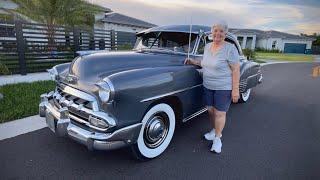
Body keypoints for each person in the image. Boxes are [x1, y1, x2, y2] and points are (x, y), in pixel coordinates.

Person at [185, 21, 240, 153]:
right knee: (210, 111)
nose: (218, 34)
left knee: (220, 113)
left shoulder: (230, 49)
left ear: (225, 33)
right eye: (216, 30)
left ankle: (217, 139)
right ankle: (215, 130)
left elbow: (236, 70)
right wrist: (193, 62)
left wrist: (235, 90)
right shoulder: (208, 47)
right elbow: (205, 63)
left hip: (223, 87)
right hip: (208, 85)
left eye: (221, 31)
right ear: (212, 32)